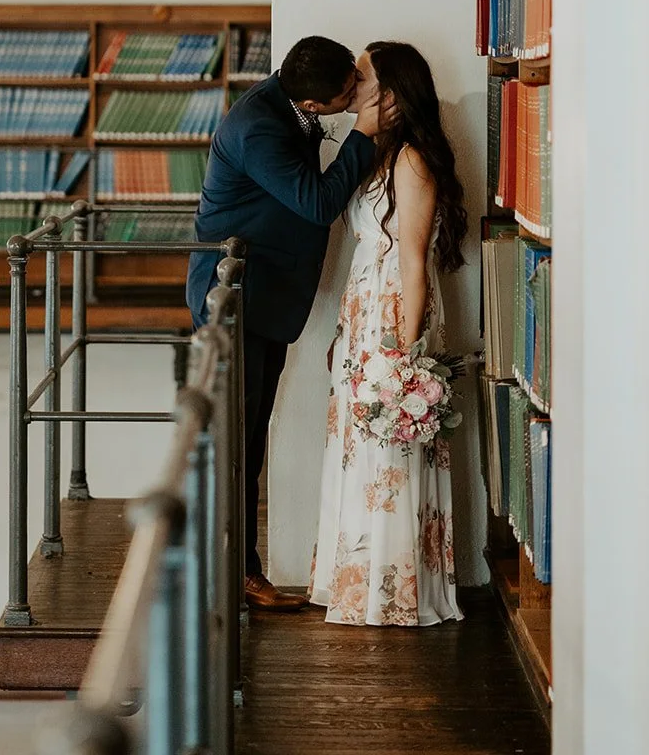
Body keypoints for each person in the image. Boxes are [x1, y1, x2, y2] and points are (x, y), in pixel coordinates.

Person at [186, 36, 382, 613]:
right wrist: (365, 135)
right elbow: (317, 202)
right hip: (235, 295)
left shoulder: (287, 103)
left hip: (263, 294)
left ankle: (236, 571)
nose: (359, 93)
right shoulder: (258, 127)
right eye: (351, 91)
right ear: (317, 105)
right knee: (237, 442)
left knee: (249, 436)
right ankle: (229, 577)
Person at [309, 41, 468, 627]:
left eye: (366, 80)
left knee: (390, 449)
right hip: (363, 310)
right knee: (362, 449)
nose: (354, 88)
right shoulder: (381, 153)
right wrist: (344, 331)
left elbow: (412, 260)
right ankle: (358, 582)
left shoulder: (411, 161)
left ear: (393, 96)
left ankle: (391, 592)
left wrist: (401, 355)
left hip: (391, 312)